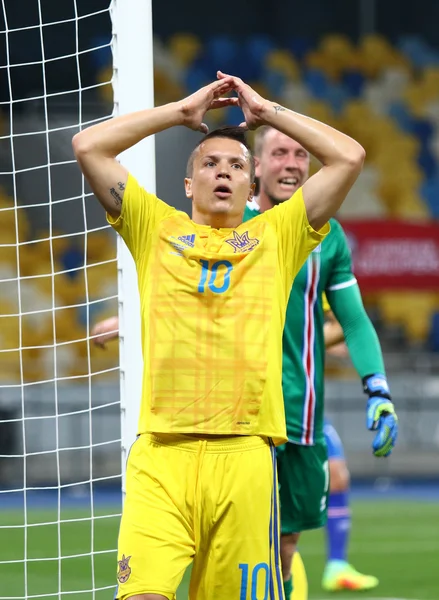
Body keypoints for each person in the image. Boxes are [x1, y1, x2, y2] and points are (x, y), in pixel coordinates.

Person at [73, 71, 365, 600]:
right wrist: (179, 113)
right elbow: (88, 145)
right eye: (209, 163)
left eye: (236, 165)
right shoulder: (152, 226)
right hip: (162, 456)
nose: (222, 172)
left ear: (253, 187)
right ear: (189, 184)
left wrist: (267, 112)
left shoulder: (277, 237)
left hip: (246, 459)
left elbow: (349, 157)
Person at [242, 125, 397, 599]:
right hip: (242, 415)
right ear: (256, 166)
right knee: (245, 546)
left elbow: (353, 321)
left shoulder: (328, 237)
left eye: (301, 155)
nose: (291, 163)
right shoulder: (229, 222)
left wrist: (379, 389)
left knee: (286, 544)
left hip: (302, 416)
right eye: (279, 153)